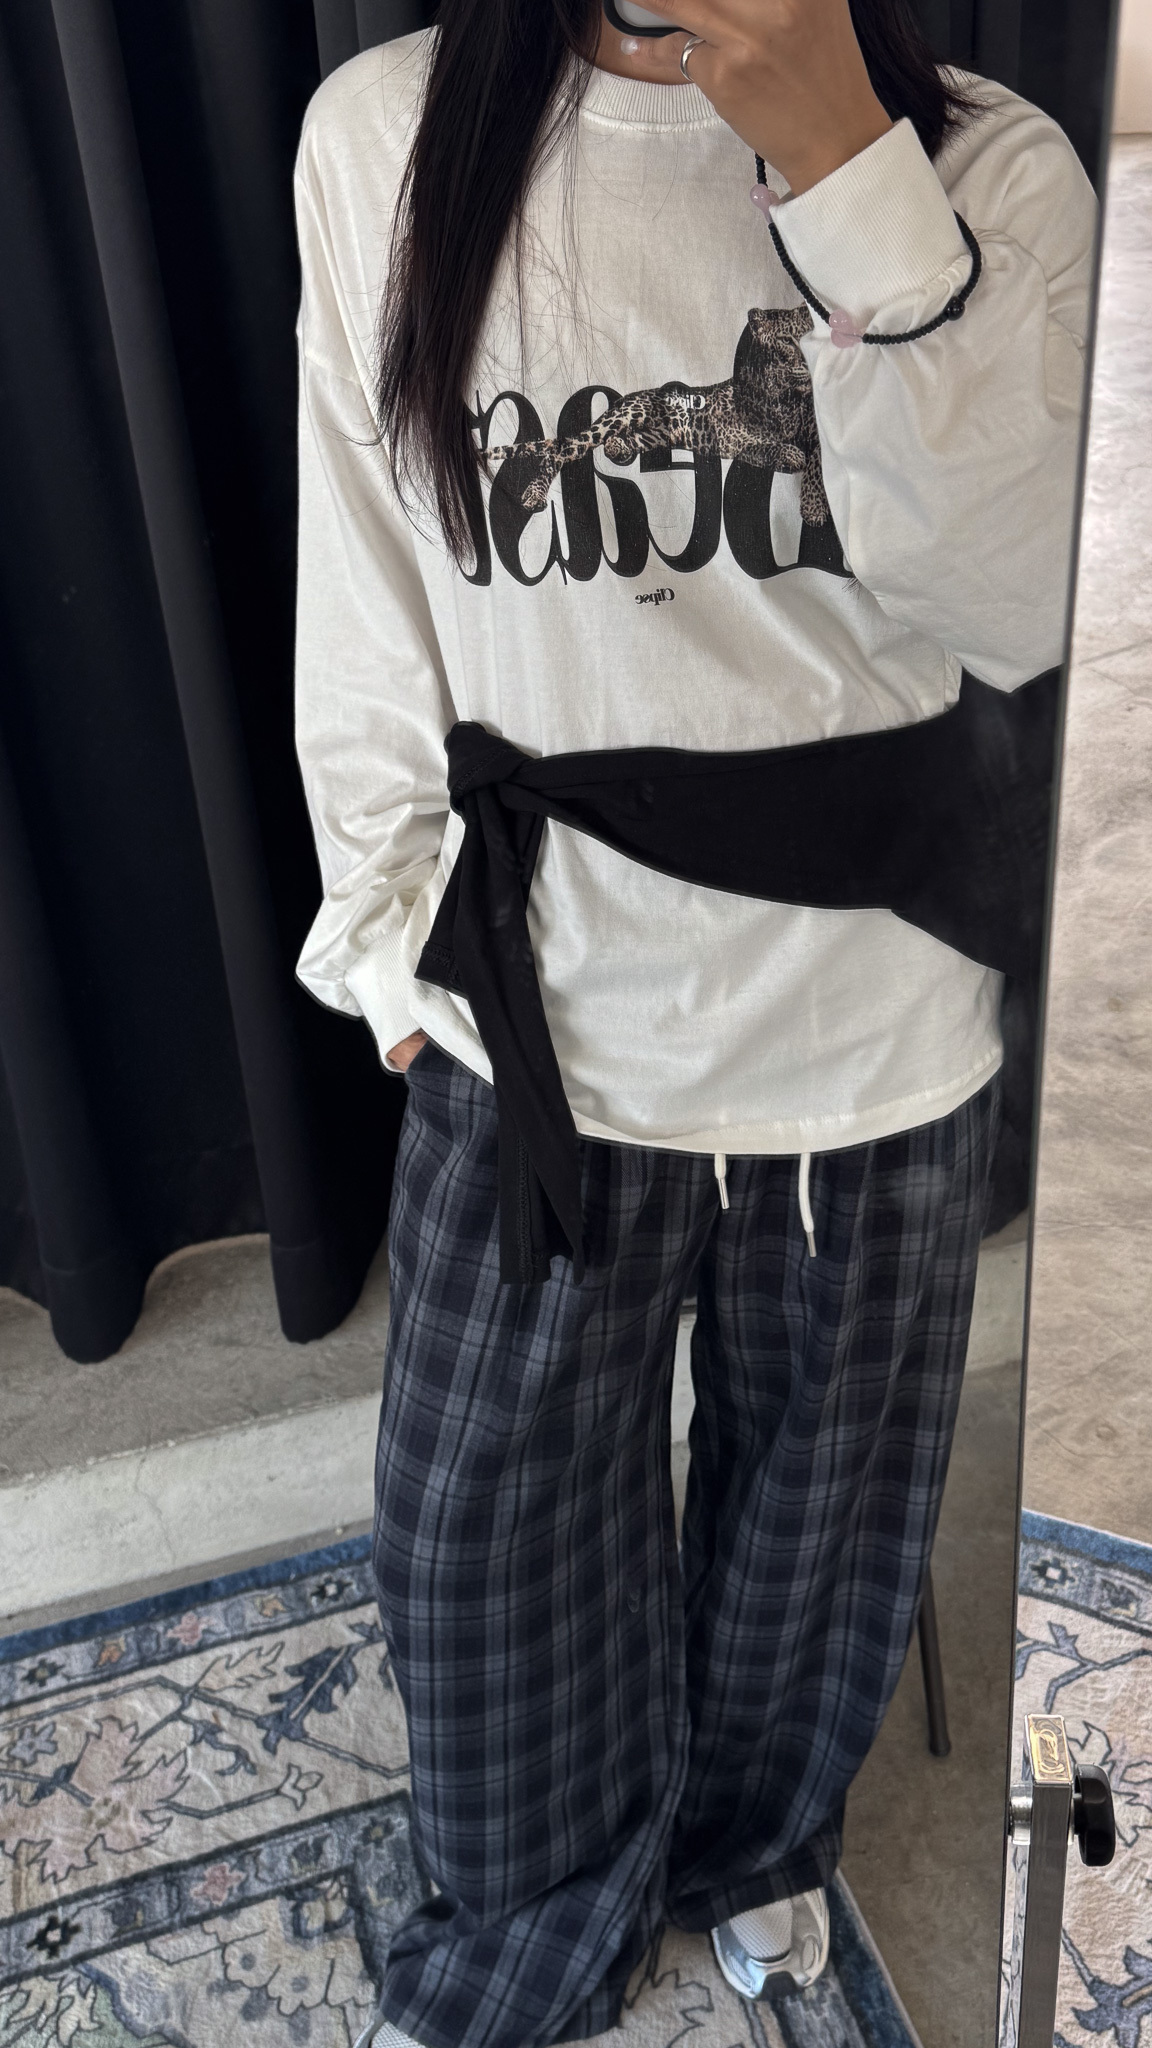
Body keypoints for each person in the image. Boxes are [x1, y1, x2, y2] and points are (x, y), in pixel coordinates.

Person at [293, 2, 1094, 2043]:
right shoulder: (386, 137)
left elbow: (1017, 609)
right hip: (538, 1009)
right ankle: (528, 1924)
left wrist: (846, 174)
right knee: (481, 1546)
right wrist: (383, 927)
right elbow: (368, 565)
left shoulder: (996, 168)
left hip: (872, 1017)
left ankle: (754, 1851)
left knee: (820, 1518)